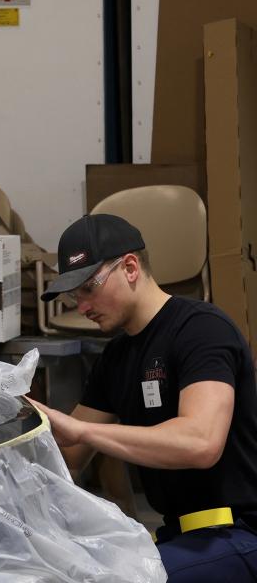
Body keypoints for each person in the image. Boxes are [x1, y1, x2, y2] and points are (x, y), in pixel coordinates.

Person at [32, 213, 257, 581]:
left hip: (239, 532)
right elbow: (69, 454)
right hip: (181, 535)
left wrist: (84, 431)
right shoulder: (117, 357)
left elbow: (200, 442)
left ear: (131, 267)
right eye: (75, 296)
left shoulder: (201, 329)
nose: (83, 306)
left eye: (89, 287)